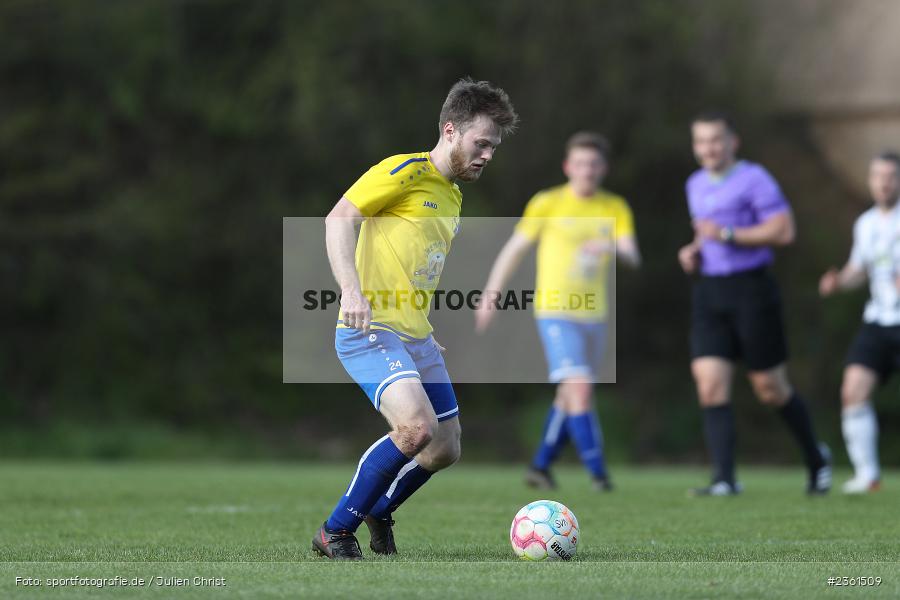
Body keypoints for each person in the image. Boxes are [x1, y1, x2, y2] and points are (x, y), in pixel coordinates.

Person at [313, 78, 518, 559]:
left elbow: (414, 265)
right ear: (451, 130)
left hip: (415, 337)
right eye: (480, 142)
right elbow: (339, 218)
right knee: (415, 430)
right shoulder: (404, 171)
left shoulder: (452, 194)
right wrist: (351, 292)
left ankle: (380, 508)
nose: (487, 154)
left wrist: (424, 327)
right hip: (368, 330)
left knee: (444, 448)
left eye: (493, 146)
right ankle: (335, 531)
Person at [474, 131, 641, 491]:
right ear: (568, 166)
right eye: (580, 163)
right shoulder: (547, 202)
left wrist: (608, 245)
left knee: (570, 395)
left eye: (594, 164)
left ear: (604, 168)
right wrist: (492, 292)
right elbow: (514, 249)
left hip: (595, 316)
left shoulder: (614, 207)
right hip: (555, 312)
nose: (587, 171)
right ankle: (599, 475)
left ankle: (540, 467)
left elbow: (633, 255)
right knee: (579, 389)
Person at [678, 111, 831, 496]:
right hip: (710, 292)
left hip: (752, 290)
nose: (709, 148)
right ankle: (725, 479)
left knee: (770, 388)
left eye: (716, 140)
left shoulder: (754, 178)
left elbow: (784, 229)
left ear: (733, 141)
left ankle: (817, 459)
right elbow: (706, 235)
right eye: (701, 141)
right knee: (710, 386)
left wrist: (728, 233)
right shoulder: (694, 183)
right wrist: (694, 251)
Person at [819, 151, 900, 494]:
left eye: (891, 176)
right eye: (878, 176)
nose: (883, 182)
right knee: (852, 390)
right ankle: (868, 476)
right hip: (879, 320)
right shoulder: (865, 223)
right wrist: (839, 282)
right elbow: (858, 269)